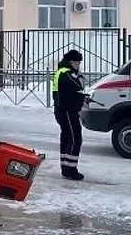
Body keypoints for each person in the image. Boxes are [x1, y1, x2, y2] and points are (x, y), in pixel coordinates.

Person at [51, 49, 86, 180]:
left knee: (66, 138)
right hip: (67, 111)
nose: (79, 65)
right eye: (78, 62)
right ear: (72, 62)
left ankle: (66, 167)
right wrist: (79, 76)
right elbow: (78, 84)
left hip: (64, 110)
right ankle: (71, 169)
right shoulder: (66, 74)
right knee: (74, 138)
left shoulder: (62, 72)